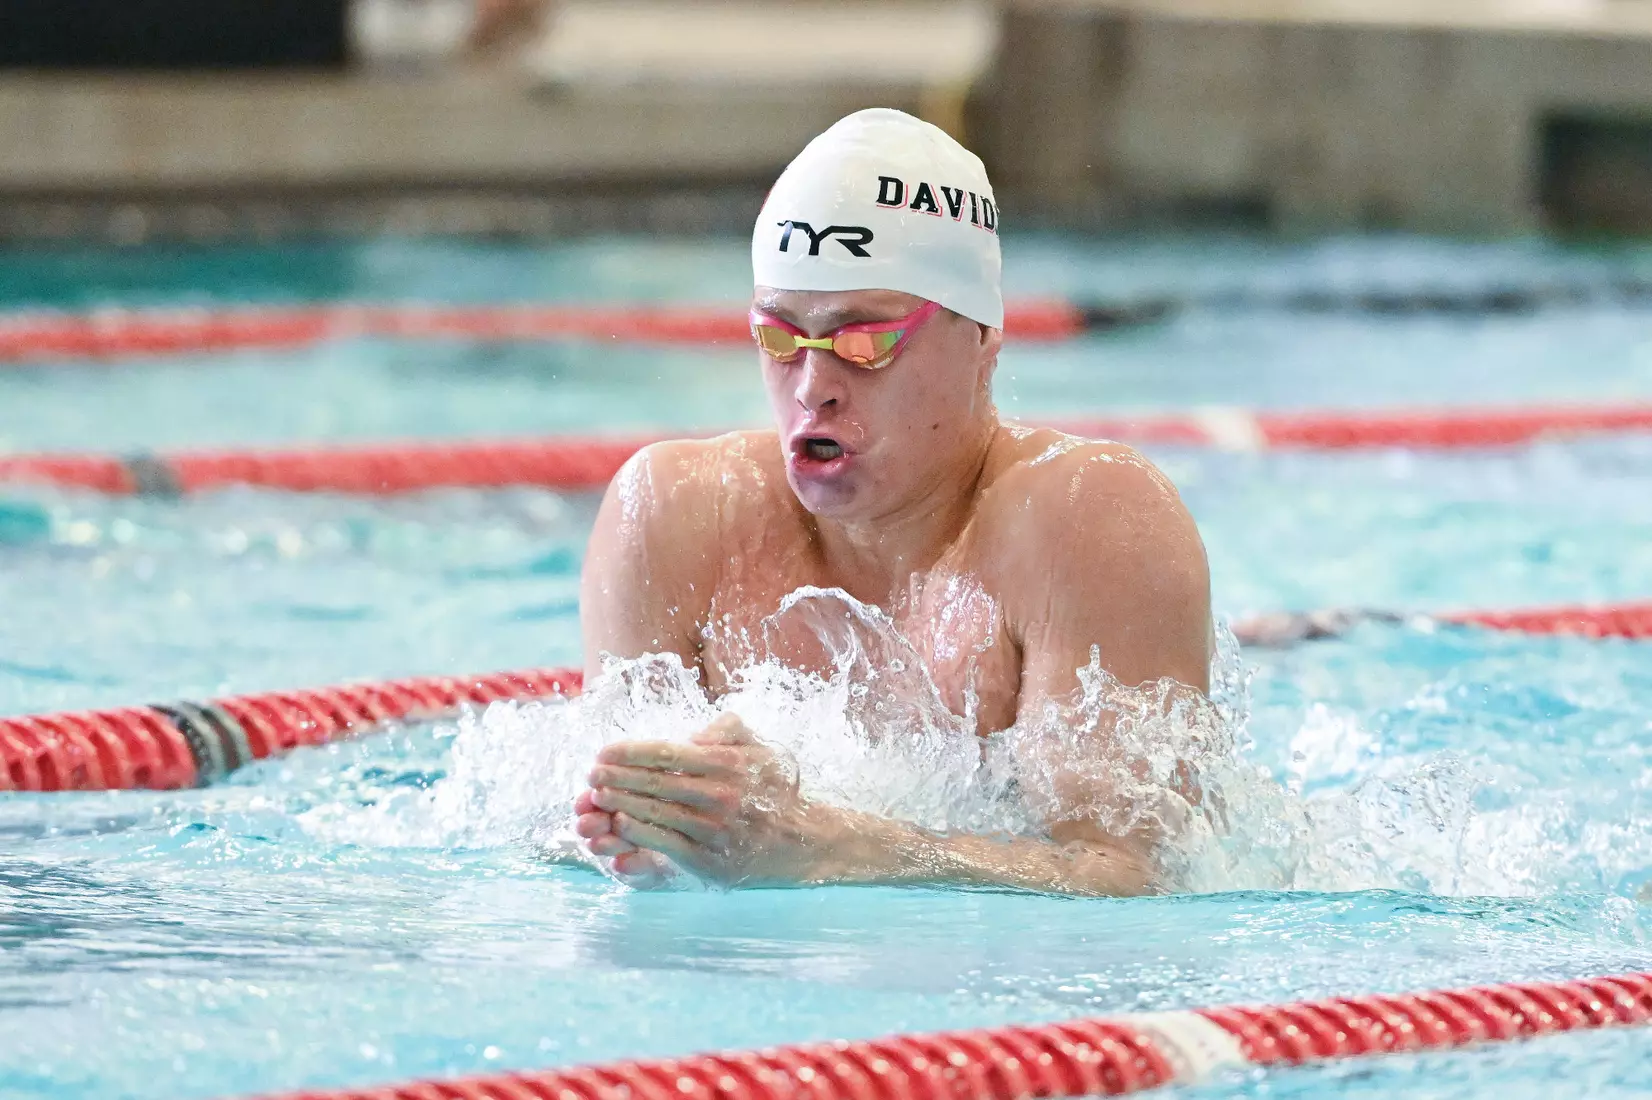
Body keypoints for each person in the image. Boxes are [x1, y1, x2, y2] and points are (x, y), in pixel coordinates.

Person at [574, 109, 1212, 896]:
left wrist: (828, 846)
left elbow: (1139, 882)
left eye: (863, 341)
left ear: (982, 336)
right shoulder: (673, 517)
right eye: (780, 338)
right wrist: (638, 830)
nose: (812, 389)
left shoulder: (1089, 519)